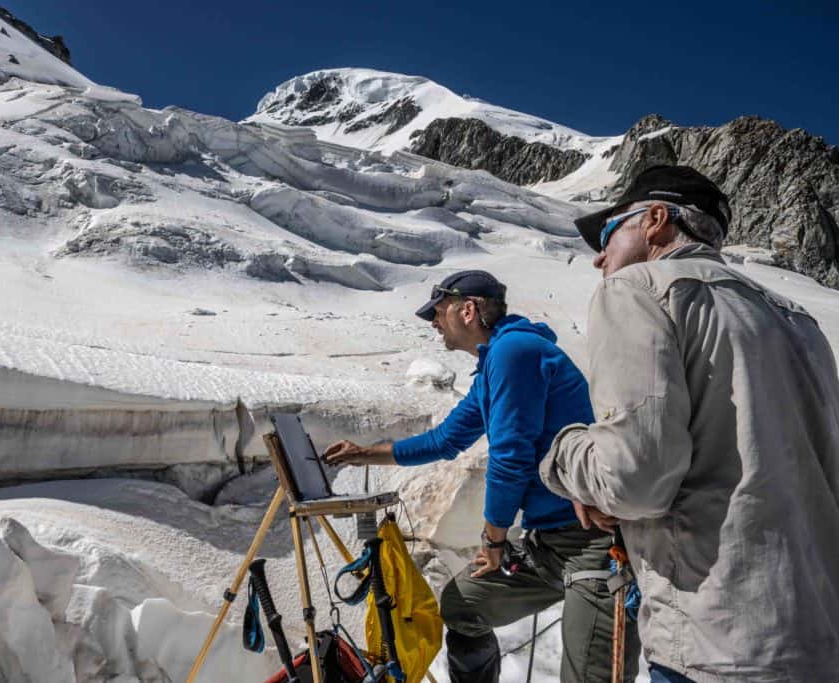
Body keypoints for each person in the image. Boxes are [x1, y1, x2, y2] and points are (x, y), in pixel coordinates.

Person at [540, 165, 839, 682]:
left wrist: (565, 455)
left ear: (655, 220)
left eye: (609, 232)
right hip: (818, 635)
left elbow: (634, 481)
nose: (599, 256)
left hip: (719, 640)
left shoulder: (639, 289)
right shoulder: (797, 318)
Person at [325, 270, 639, 682]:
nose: (434, 324)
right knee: (463, 605)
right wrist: (365, 454)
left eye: (437, 313)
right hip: (549, 544)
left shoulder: (515, 353)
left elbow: (511, 456)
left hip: (592, 543)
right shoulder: (496, 362)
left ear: (468, 309)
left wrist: (493, 539)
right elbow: (446, 439)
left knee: (590, 676)